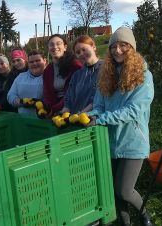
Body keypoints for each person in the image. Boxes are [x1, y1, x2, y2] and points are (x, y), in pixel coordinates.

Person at [87, 27, 154, 226]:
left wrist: (101, 119)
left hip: (133, 141)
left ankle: (144, 214)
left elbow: (133, 110)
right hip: (109, 142)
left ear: (131, 48)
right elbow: (98, 105)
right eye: (113, 46)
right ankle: (126, 223)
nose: (117, 50)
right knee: (113, 190)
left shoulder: (143, 75)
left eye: (123, 45)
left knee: (124, 190)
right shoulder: (106, 75)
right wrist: (87, 117)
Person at [61, 35, 102, 114]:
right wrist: (65, 110)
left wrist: (82, 114)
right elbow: (69, 96)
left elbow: (99, 99)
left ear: (93, 47)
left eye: (84, 49)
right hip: (75, 120)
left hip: (94, 120)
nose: (81, 54)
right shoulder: (77, 75)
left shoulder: (106, 69)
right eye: (78, 52)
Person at [43, 34, 83, 115]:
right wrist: (49, 108)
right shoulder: (48, 70)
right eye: (51, 45)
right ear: (48, 49)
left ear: (65, 47)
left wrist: (54, 109)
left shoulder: (75, 66)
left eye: (58, 44)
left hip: (73, 109)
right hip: (54, 111)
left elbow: (74, 93)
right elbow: (47, 93)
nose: (55, 47)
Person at [7, 50, 46, 115]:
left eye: (37, 60)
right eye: (31, 62)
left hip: (45, 120)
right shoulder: (20, 77)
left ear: (44, 60)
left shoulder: (51, 76)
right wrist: (21, 102)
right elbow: (10, 95)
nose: (34, 64)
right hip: (23, 120)